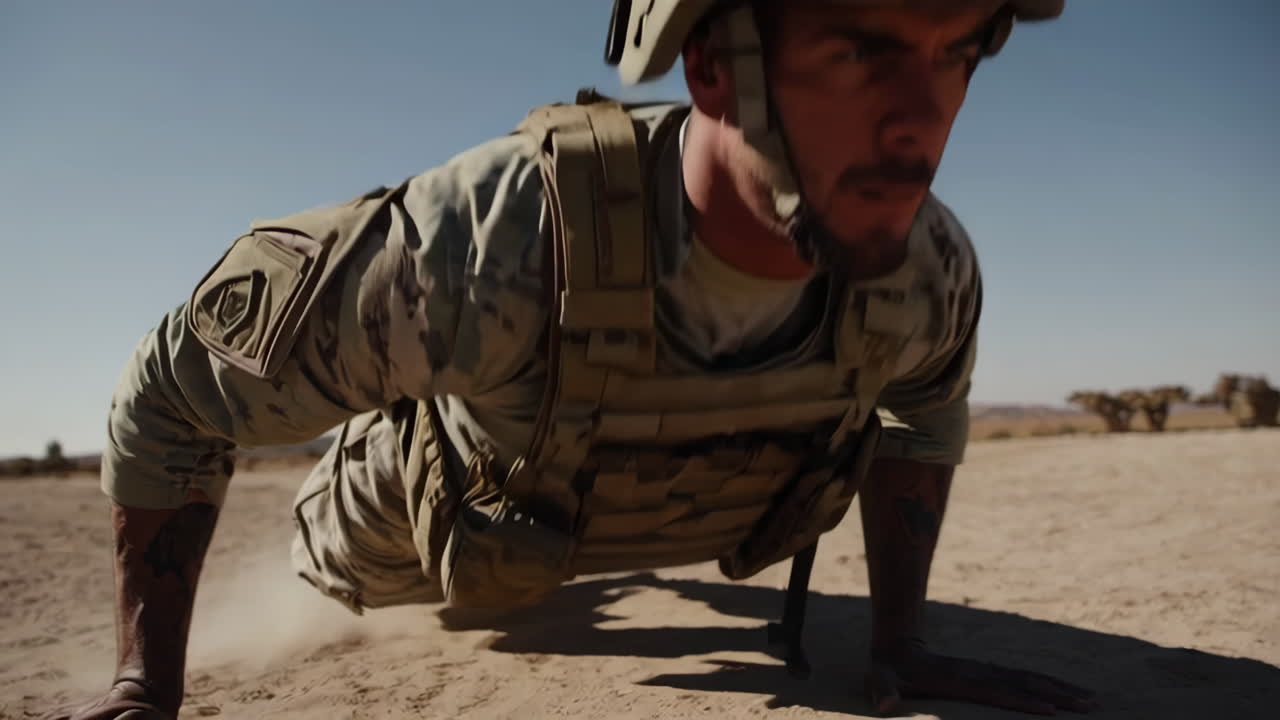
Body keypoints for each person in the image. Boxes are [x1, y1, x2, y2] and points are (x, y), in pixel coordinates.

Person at [49, 1, 1098, 717]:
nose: (922, 116)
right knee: (439, 512)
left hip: (606, 510)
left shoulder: (925, 271)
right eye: (856, 47)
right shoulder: (486, 245)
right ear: (711, 65)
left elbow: (919, 417)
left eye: (960, 48)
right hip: (405, 542)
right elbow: (169, 400)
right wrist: (148, 687)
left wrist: (898, 649)